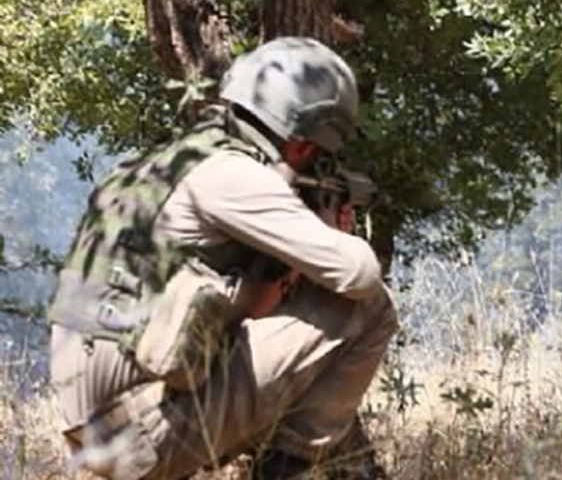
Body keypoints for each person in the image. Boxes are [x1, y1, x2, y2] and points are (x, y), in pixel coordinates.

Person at [46, 37, 398, 479]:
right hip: (138, 436)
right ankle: (283, 470)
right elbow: (361, 274)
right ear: (304, 146)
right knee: (369, 306)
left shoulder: (150, 166)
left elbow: (231, 306)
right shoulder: (233, 175)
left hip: (87, 432)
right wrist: (326, 240)